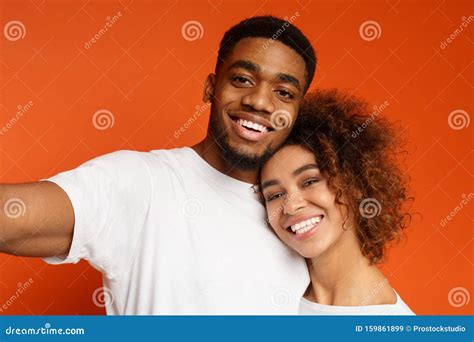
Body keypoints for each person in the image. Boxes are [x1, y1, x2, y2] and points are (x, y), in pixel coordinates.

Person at [0, 16, 316, 314]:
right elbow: (13, 219)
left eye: (283, 92)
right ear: (211, 87)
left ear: (297, 111)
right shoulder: (144, 182)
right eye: (242, 79)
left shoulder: (308, 216)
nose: (259, 101)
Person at [258, 89, 415, 315]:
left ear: (355, 184)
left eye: (310, 181)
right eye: (274, 195)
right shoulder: (266, 297)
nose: (291, 206)